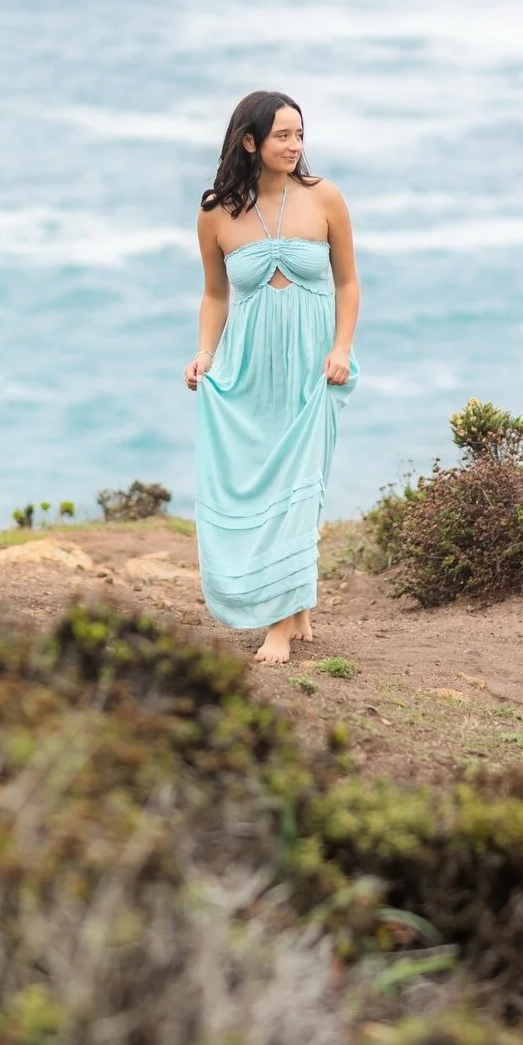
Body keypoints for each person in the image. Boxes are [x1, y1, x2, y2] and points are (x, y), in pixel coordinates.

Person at [185, 91, 359, 664]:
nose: (294, 146)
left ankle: (280, 627)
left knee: (300, 487)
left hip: (313, 365)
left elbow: (348, 284)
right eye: (282, 135)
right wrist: (204, 355)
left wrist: (341, 349)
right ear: (250, 141)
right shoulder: (216, 213)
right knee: (266, 486)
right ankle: (296, 606)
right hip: (250, 368)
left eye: (300, 135)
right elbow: (215, 294)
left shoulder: (324, 197)